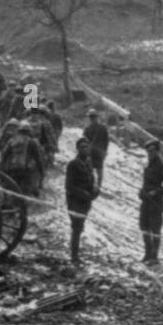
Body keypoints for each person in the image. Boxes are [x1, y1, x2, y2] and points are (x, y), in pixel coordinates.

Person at [139, 138, 163, 267]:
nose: (150, 153)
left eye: (153, 151)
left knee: (155, 229)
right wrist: (141, 192)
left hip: (156, 203)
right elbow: (146, 183)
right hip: (145, 202)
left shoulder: (161, 166)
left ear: (158, 151)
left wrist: (157, 192)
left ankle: (154, 257)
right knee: (144, 227)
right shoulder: (147, 165)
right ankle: (147, 253)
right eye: (148, 151)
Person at [65, 138, 99, 266]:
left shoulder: (88, 162)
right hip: (75, 201)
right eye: (82, 147)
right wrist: (83, 194)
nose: (85, 149)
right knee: (76, 228)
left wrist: (95, 189)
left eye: (86, 146)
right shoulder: (73, 164)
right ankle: (74, 256)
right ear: (78, 149)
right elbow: (69, 186)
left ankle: (76, 254)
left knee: (80, 227)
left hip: (85, 201)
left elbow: (92, 178)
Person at [0, 122, 44, 197]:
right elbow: (37, 158)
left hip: (11, 169)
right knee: (24, 192)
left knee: (12, 189)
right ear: (29, 132)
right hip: (25, 171)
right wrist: (41, 171)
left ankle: (11, 203)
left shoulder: (12, 140)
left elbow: (4, 155)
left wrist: (1, 167)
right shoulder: (32, 142)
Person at [83, 108, 110, 188]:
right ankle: (99, 185)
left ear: (90, 118)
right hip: (99, 151)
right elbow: (106, 141)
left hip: (90, 151)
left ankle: (91, 184)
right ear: (96, 117)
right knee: (99, 168)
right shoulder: (103, 127)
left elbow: (84, 140)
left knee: (90, 168)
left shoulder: (87, 128)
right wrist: (105, 151)